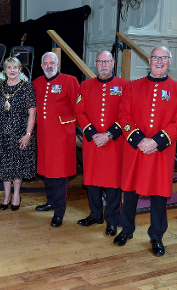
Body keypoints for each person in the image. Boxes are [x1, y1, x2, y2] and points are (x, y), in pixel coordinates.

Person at [114, 46, 177, 256]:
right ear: (149, 60)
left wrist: (157, 141)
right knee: (130, 191)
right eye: (155, 58)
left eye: (163, 58)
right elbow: (124, 116)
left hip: (161, 152)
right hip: (136, 149)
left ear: (170, 61)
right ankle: (127, 229)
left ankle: (156, 236)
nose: (159, 61)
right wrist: (139, 140)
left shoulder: (176, 89)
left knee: (159, 194)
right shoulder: (133, 86)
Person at [75, 50, 129, 236]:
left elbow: (127, 114)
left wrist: (109, 134)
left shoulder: (125, 85)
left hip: (114, 142)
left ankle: (112, 219)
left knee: (114, 183)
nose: (103, 65)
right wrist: (91, 132)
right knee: (92, 181)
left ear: (113, 63)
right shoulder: (85, 85)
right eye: (100, 62)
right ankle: (96, 214)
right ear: (96, 64)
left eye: (107, 61)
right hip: (92, 142)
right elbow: (79, 111)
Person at [33, 52, 79, 227]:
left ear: (58, 63)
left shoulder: (70, 80)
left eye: (52, 62)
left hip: (62, 135)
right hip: (44, 134)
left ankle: (59, 211)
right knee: (46, 170)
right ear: (42, 65)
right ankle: (50, 201)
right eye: (45, 63)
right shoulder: (37, 82)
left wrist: (76, 128)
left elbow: (78, 106)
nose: (49, 66)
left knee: (59, 173)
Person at [0, 57, 36, 212]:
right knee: (4, 165)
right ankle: (6, 196)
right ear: (5, 70)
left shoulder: (26, 87)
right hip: (2, 133)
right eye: (9, 67)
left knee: (18, 165)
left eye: (15, 67)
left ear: (20, 70)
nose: (12, 70)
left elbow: (32, 113)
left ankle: (16, 195)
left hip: (20, 133)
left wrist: (28, 134)